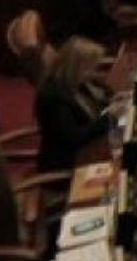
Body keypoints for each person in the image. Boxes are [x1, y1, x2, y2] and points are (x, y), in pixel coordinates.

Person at [34, 37, 110, 173]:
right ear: (75, 68)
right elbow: (73, 138)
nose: (93, 73)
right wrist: (109, 118)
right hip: (67, 164)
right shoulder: (53, 97)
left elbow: (95, 107)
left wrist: (113, 101)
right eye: (89, 68)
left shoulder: (75, 82)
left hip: (86, 149)